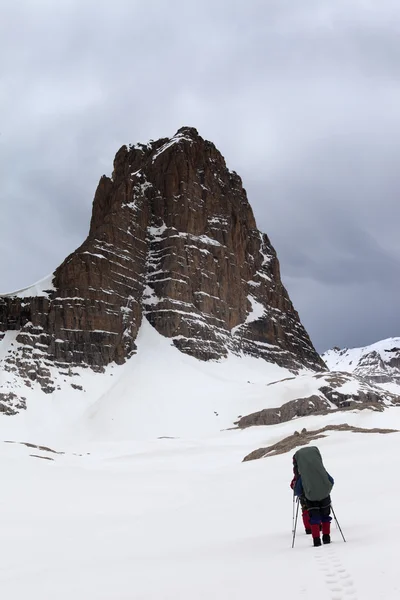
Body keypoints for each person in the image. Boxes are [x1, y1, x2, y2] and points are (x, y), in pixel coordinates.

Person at [291, 446, 334, 547]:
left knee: (314, 518)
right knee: (325, 516)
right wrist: (326, 490)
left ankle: (316, 540)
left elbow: (297, 490)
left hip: (310, 498)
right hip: (325, 496)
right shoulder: (321, 471)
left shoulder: (303, 476)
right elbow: (331, 481)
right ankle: (326, 537)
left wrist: (302, 494)